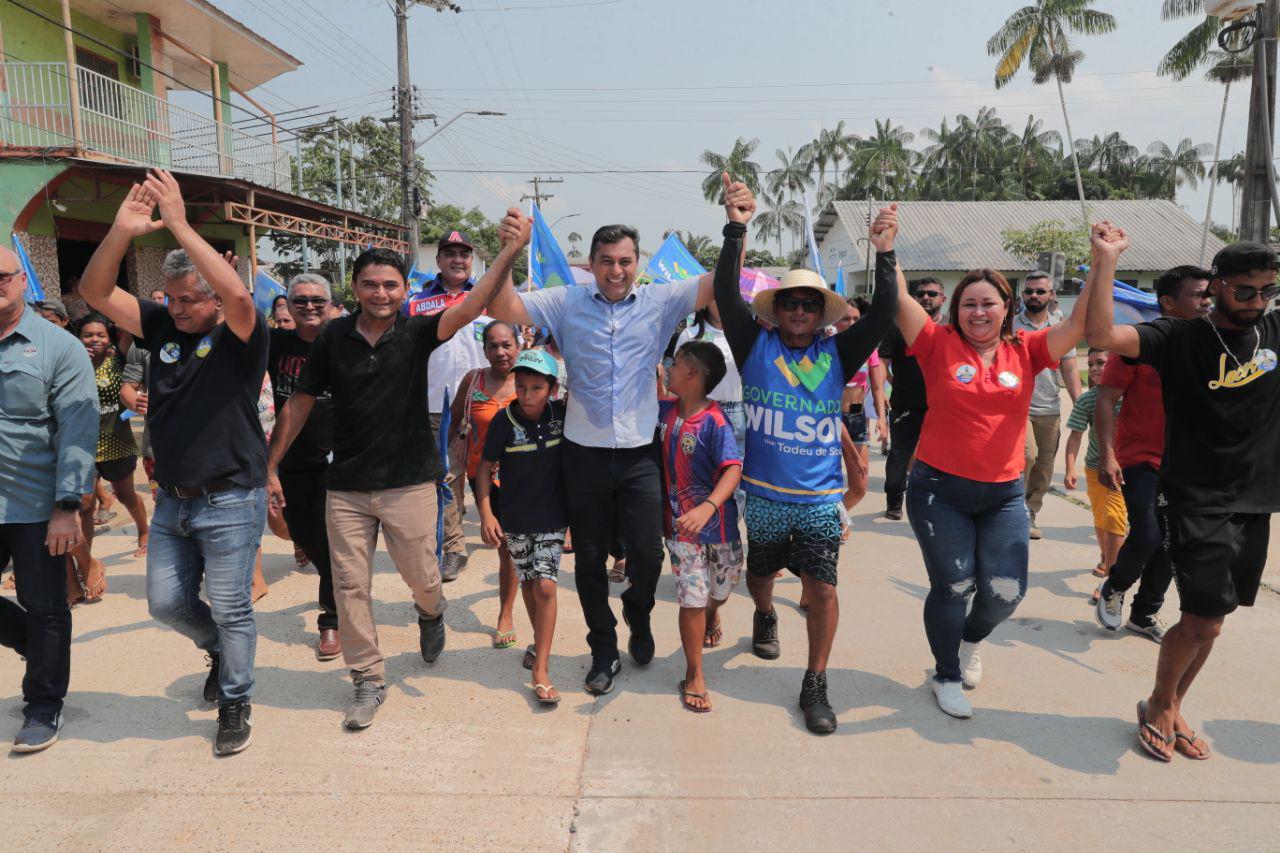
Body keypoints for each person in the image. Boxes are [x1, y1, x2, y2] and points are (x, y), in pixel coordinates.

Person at [485, 173, 755, 697]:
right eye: (606, 261)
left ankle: (638, 612)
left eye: (626, 261)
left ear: (639, 262)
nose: (616, 270)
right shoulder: (566, 301)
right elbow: (503, 308)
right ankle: (602, 650)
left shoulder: (660, 302)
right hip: (582, 457)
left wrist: (734, 227)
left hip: (639, 457)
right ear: (593, 263)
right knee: (587, 561)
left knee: (649, 558)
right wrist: (509, 254)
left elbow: (720, 285)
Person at [267, 210, 530, 731]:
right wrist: (270, 463)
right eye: (370, 284)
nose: (380, 293)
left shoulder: (418, 332)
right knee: (349, 584)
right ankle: (366, 676)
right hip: (344, 485)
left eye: (390, 284)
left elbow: (473, 302)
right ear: (356, 287)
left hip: (409, 480)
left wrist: (508, 253)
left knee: (422, 577)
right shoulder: (333, 339)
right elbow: (298, 402)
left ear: (404, 289)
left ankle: (431, 614)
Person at [80, 170, 268, 757]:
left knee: (235, 604)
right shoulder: (159, 325)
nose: (179, 309)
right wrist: (120, 231)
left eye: (191, 300)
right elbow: (94, 291)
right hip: (173, 498)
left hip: (233, 495)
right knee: (165, 603)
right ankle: (217, 647)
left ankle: (236, 698)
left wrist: (181, 224)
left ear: (213, 298)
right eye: (172, 299)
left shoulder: (243, 332)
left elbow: (239, 295)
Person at [890, 205, 1100, 720]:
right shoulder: (935, 343)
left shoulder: (1028, 349)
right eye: (967, 304)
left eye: (988, 303)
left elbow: (1080, 321)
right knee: (953, 585)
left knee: (1005, 593)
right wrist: (885, 247)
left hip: (1005, 492)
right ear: (954, 310)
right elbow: (895, 298)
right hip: (939, 491)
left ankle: (970, 642)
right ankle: (945, 673)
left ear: (1007, 307)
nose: (977, 312)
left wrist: (1102, 260)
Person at [1086, 239, 1280, 762]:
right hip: (1194, 495)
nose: (1256, 300)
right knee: (1202, 618)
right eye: (1244, 290)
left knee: (1216, 616)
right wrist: (1106, 262)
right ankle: (1158, 703)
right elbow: (1102, 335)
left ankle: (1170, 704)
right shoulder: (1178, 335)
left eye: (1267, 290)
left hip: (1256, 498)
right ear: (1216, 286)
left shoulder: (1273, 331)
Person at [714, 206, 895, 734]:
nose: (798, 311)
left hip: (818, 499)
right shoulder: (754, 344)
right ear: (776, 311)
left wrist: (885, 253)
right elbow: (726, 293)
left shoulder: (841, 351)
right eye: (789, 303)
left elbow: (883, 314)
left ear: (821, 314)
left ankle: (815, 682)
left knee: (823, 588)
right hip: (764, 496)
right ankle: (765, 613)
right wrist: (735, 228)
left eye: (808, 305)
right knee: (761, 574)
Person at [0, 246, 97, 752]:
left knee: (46, 608)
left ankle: (43, 706)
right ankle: (35, 648)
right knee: (37, 627)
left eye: (2, 276)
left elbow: (79, 428)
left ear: (21, 280)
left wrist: (68, 507)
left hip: (34, 504)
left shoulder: (59, 347)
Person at [1093, 265, 1212, 643]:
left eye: (1209, 294)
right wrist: (1107, 454)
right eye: (1198, 294)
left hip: (1187, 462)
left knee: (1172, 542)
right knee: (1146, 534)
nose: (1207, 301)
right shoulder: (1136, 346)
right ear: (1168, 302)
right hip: (1139, 457)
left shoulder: (1211, 344)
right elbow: (1107, 398)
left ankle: (1144, 614)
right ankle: (1114, 587)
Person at [476, 348, 568, 704]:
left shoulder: (562, 415)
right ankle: (537, 643)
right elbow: (485, 467)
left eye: (535, 388)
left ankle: (541, 669)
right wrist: (486, 512)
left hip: (553, 516)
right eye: (522, 386)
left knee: (545, 586)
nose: (527, 395)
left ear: (552, 389)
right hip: (515, 517)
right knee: (529, 584)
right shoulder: (503, 421)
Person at [658, 340, 743, 713]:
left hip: (720, 529)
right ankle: (694, 673)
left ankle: (715, 610)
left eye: (675, 364)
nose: (668, 369)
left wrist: (708, 507)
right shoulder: (663, 412)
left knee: (721, 589)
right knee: (691, 598)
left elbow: (733, 469)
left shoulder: (715, 421)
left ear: (692, 372)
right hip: (682, 533)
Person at [406, 231, 490, 583]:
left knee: (488, 472)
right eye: (450, 253)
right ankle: (454, 547)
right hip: (435, 405)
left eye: (464, 253)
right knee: (445, 473)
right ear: (438, 260)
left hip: (485, 403)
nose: (457, 259)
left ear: (472, 260)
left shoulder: (488, 300)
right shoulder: (414, 303)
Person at [267, 273, 339, 660]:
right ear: (288, 307)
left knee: (332, 549)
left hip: (340, 460)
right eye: (300, 301)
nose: (309, 307)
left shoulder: (345, 340)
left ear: (330, 304)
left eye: (317, 300)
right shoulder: (276, 343)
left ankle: (332, 622)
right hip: (290, 458)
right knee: (302, 533)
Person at [448, 320, 519, 649]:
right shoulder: (473, 380)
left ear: (518, 346)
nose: (501, 352)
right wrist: (442, 463)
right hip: (482, 476)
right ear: (484, 349)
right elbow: (453, 418)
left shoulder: (531, 380)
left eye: (507, 344)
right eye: (493, 346)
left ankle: (506, 613)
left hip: (523, 477)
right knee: (503, 543)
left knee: (508, 548)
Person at [75, 312, 149, 574]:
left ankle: (143, 530)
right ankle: (87, 561)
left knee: (126, 495)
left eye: (100, 335)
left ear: (109, 338)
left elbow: (131, 337)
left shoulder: (120, 359)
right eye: (87, 335)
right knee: (85, 504)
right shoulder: (71, 362)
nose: (94, 339)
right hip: (83, 445)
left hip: (118, 441)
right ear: (78, 338)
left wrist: (119, 321)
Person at [1016, 269, 1083, 540]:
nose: (1034, 295)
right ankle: (1015, 509)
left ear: (1051, 295)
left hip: (1050, 406)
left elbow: (1070, 369)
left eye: (1040, 291)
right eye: (1029, 291)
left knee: (1044, 465)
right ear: (1022, 295)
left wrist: (1080, 402)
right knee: (1026, 455)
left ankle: (1032, 511)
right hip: (1019, 406)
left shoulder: (1060, 328)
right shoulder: (1010, 325)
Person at [879, 277, 945, 520]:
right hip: (906, 406)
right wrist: (885, 389)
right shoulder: (898, 327)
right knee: (899, 456)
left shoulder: (953, 330)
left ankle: (937, 503)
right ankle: (894, 502)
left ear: (943, 299)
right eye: (921, 294)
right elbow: (880, 364)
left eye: (932, 293)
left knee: (941, 458)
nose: (926, 297)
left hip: (943, 409)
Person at [1063, 348, 1126, 589]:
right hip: (1095, 469)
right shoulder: (1088, 400)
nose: (1094, 369)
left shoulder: (1131, 395)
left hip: (1127, 469)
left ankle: (1112, 579)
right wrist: (1070, 468)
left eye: (1100, 362)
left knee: (1114, 517)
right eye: (1090, 364)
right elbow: (1075, 436)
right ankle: (1106, 556)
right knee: (1101, 519)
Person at [675, 301, 745, 517]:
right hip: (703, 415)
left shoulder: (745, 333)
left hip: (740, 413)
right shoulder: (691, 335)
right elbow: (678, 379)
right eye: (717, 296)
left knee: (740, 486)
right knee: (701, 479)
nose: (722, 301)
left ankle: (730, 534)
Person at [835, 297, 887, 514]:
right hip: (829, 419)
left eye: (856, 318)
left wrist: (882, 420)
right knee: (827, 484)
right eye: (845, 319)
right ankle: (827, 526)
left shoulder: (869, 348)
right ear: (835, 321)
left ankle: (837, 518)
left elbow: (877, 388)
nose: (852, 323)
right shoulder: (828, 347)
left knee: (859, 487)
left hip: (856, 418)